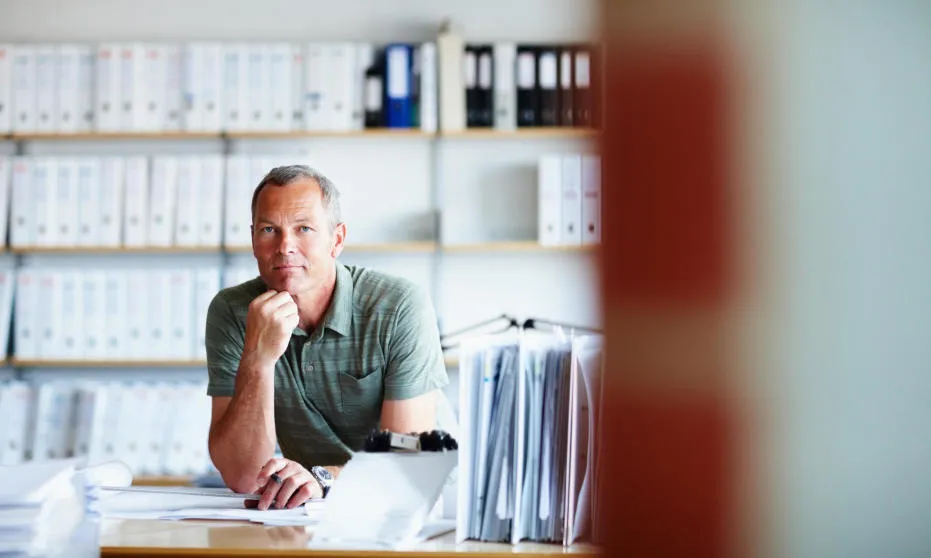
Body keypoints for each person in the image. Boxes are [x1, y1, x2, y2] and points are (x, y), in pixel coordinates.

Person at [205, 165, 449, 511]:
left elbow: (408, 460)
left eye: (304, 228)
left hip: (423, 506)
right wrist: (258, 359)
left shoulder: (399, 306)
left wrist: (324, 478)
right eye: (269, 229)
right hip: (310, 512)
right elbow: (242, 475)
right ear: (253, 241)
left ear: (337, 240)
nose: (285, 246)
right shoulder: (232, 311)